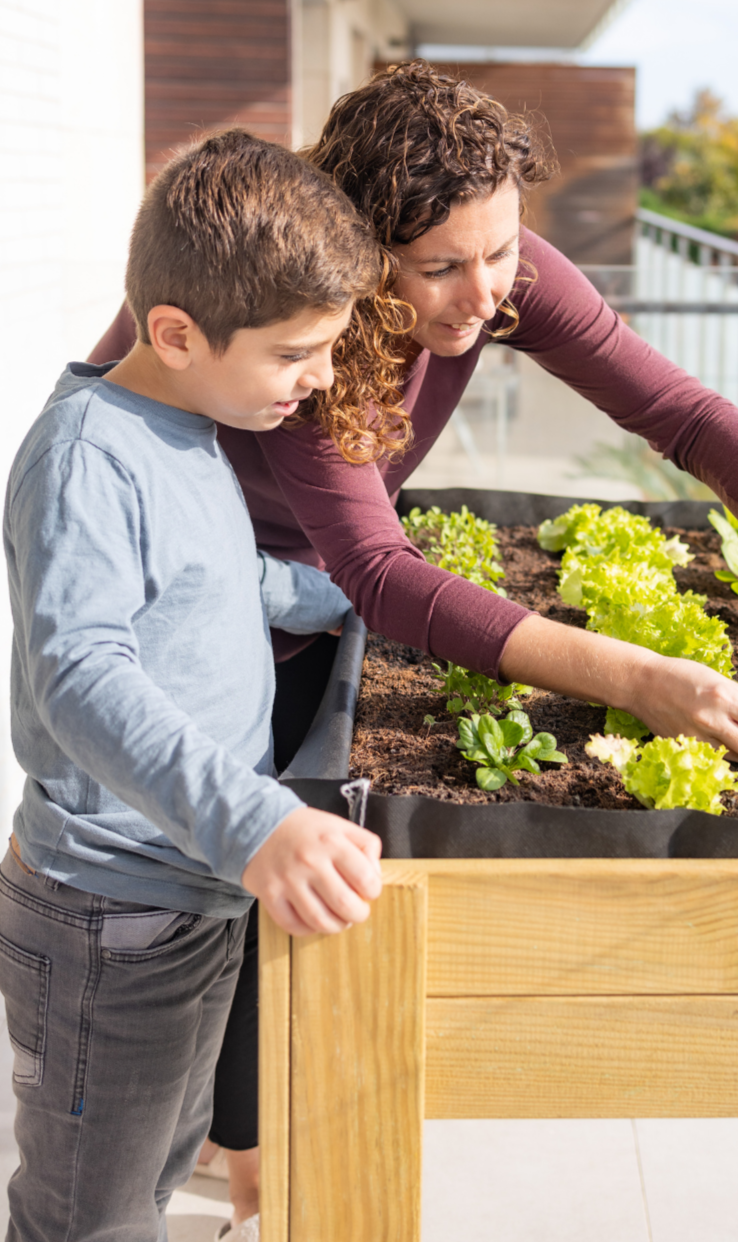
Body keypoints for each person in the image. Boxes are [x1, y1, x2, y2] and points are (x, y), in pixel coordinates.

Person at [92, 62, 738, 1212]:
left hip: (293, 583)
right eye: (443, 266)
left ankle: (239, 1136)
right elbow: (383, 575)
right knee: (206, 853)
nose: (483, 293)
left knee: (279, 849)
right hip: (186, 580)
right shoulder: (312, 317)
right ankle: (221, 1144)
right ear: (359, 254)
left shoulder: (495, 275)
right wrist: (635, 676)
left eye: (503, 250)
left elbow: (682, 413)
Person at [2, 131, 384, 1242]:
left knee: (159, 1166)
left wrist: (346, 597)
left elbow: (220, 578)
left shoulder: (191, 421)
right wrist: (257, 822)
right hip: (105, 919)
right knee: (90, 1213)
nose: (317, 380)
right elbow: (81, 671)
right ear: (173, 332)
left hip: (193, 890)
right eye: (295, 354)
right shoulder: (88, 454)